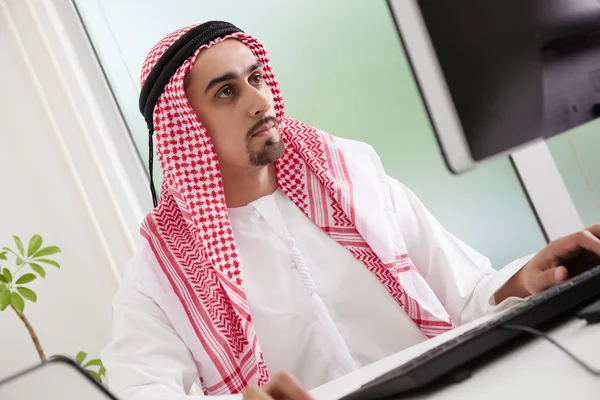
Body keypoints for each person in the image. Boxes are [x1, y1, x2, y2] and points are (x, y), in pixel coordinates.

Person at [101, 21, 600, 400]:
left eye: (256, 78)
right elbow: (141, 391)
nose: (259, 101)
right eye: (226, 92)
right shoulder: (163, 273)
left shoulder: (351, 174)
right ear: (185, 129)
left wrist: (528, 279)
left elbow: (466, 296)